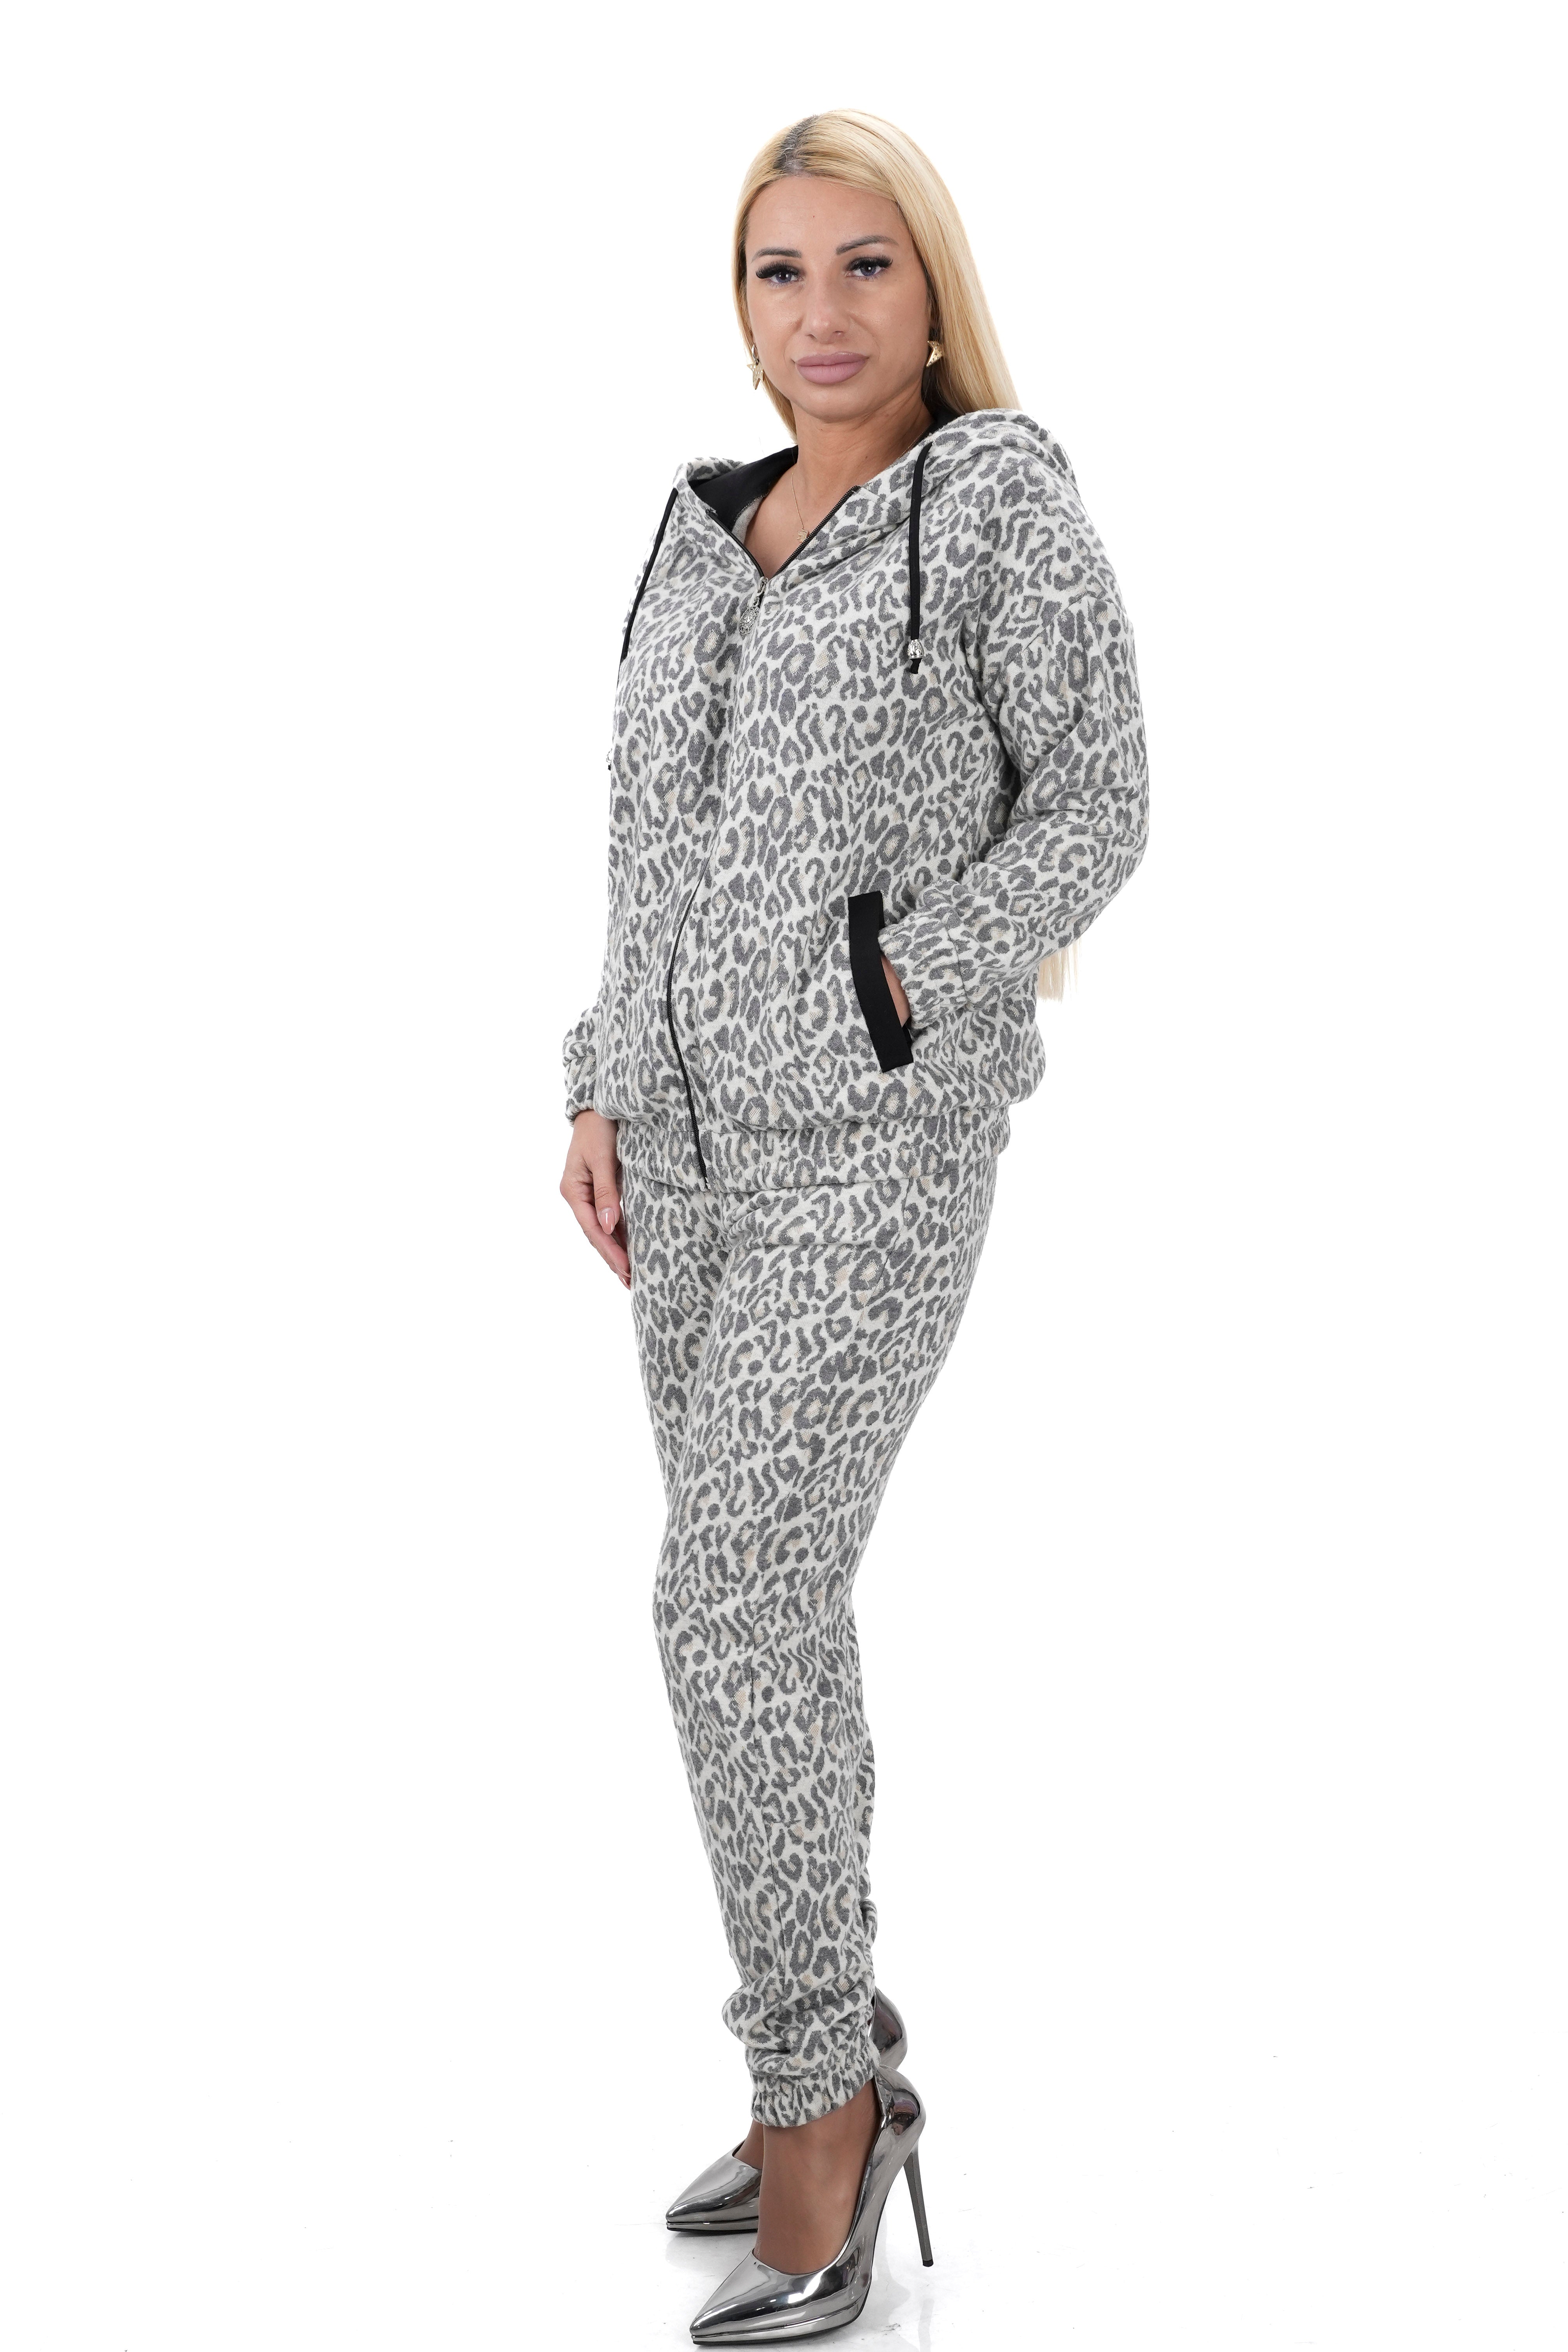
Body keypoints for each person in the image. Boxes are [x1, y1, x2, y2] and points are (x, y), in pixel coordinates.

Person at [559, 108, 1149, 2343]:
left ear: (933, 289)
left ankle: (817, 2102)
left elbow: (1101, 799)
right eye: (780, 270)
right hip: (684, 1155)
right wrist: (601, 1073)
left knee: (723, 1597)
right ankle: (840, 2047)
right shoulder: (698, 531)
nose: (821, 314)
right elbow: (641, 826)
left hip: (874, 1147)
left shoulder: (993, 502)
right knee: (768, 1620)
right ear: (740, 304)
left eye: (866, 266)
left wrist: (908, 977)